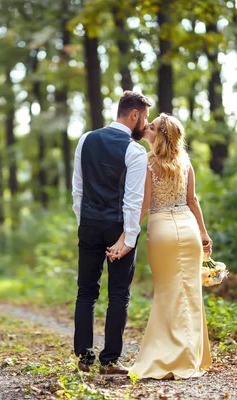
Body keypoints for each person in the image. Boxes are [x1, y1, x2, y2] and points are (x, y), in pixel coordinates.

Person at [107, 113, 213, 379]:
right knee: (189, 293)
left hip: (163, 231)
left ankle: (168, 355)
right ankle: (190, 356)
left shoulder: (147, 163)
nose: (146, 127)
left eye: (151, 127)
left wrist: (125, 238)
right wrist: (203, 234)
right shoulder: (186, 163)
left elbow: (143, 206)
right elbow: (193, 200)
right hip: (188, 231)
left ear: (159, 135)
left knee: (167, 293)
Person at [71, 91, 152, 375]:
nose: (146, 123)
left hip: (89, 225)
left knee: (86, 291)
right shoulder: (135, 151)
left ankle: (83, 357)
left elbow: (77, 190)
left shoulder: (86, 139)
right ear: (134, 115)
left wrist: (85, 223)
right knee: (118, 295)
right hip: (118, 228)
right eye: (145, 118)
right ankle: (108, 361)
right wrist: (128, 239)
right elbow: (132, 202)